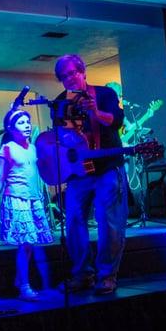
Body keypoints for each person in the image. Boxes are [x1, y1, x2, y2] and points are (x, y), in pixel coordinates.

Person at [54, 54, 129, 295]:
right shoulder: (59, 102)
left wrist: (95, 112)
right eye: (63, 76)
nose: (69, 79)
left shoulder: (104, 94)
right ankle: (82, 274)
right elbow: (60, 138)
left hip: (107, 166)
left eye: (72, 73)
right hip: (79, 172)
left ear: (83, 72)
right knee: (74, 219)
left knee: (108, 221)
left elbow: (115, 122)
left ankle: (107, 276)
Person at [0, 109, 53, 301]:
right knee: (25, 244)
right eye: (21, 122)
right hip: (17, 201)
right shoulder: (7, 148)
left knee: (30, 244)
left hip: (33, 199)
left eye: (28, 121)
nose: (26, 125)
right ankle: (24, 286)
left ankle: (20, 280)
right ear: (10, 128)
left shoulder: (33, 148)